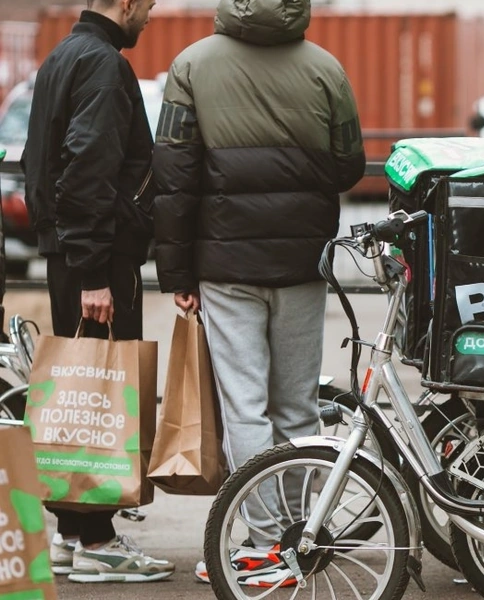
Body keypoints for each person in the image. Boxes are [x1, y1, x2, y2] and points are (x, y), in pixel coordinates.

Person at [152, 0, 364, 586]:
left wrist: (176, 274)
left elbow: (173, 177)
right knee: (297, 406)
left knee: (244, 405)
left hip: (225, 266)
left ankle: (265, 544)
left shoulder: (192, 65)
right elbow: (350, 166)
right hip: (302, 263)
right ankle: (301, 537)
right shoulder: (326, 69)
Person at [20, 0, 174, 583]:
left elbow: (44, 161)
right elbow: (87, 163)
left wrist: (66, 251)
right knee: (106, 394)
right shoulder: (104, 63)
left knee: (76, 397)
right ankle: (102, 542)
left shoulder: (62, 55)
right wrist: (94, 274)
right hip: (99, 258)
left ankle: (68, 533)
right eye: (149, 6)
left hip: (72, 251)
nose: (151, 17)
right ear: (127, 3)